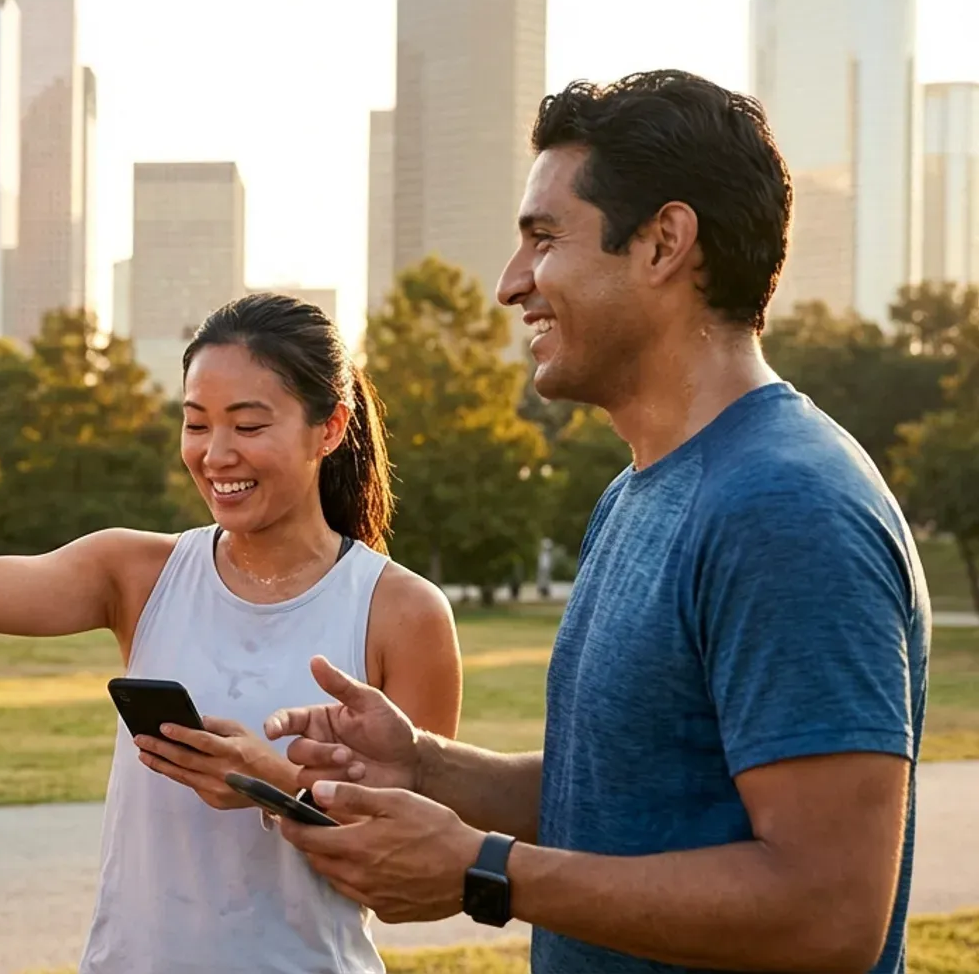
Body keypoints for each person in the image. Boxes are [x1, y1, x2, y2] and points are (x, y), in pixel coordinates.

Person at [268, 70, 931, 974]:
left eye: (544, 239)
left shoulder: (787, 508)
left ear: (664, 243)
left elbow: (828, 914)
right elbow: (631, 797)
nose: (511, 285)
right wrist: (425, 766)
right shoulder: (638, 494)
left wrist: (484, 872)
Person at [0, 290, 463, 973]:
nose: (216, 454)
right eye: (196, 424)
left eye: (248, 426)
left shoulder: (403, 611)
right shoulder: (137, 573)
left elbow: (414, 865)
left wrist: (271, 783)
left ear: (330, 427)